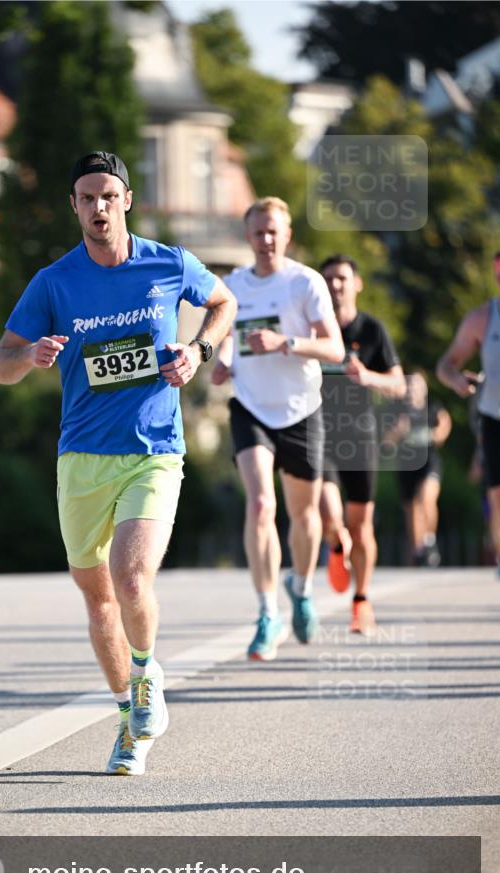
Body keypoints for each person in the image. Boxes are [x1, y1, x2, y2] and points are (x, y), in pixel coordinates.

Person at [0, 151, 237, 774]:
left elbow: (224, 302)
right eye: (86, 198)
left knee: (131, 580)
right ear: (73, 207)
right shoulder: (53, 282)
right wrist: (30, 356)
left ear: (126, 200)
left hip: (154, 451)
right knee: (98, 597)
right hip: (80, 458)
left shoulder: (169, 262)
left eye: (108, 196)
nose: (98, 208)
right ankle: (128, 716)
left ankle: (148, 676)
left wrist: (199, 351)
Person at [211, 197, 345, 660]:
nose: (265, 240)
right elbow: (226, 339)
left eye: (273, 232)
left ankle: (302, 588)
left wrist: (285, 342)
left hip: (301, 410)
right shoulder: (232, 287)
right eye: (257, 232)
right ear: (247, 237)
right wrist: (224, 363)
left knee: (305, 517)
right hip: (250, 407)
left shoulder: (305, 283)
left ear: (286, 236)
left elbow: (335, 349)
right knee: (261, 504)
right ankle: (268, 614)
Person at [318, 255, 406, 635]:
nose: (336, 285)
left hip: (359, 433)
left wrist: (368, 376)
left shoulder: (372, 330)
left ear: (357, 283)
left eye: (342, 278)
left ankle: (361, 601)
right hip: (317, 431)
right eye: (329, 280)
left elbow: (399, 384)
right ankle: (337, 546)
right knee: (328, 515)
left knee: (362, 523)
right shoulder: (313, 327)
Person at [437, 252, 500, 577]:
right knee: (498, 495)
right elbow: (445, 365)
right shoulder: (482, 318)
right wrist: (459, 381)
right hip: (494, 416)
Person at [385, 371, 451, 566]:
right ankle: (418, 549)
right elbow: (386, 442)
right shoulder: (398, 410)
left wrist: (438, 435)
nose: (414, 388)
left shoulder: (432, 406)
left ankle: (429, 540)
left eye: (417, 384)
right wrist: (398, 432)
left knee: (426, 498)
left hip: (429, 461)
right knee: (411, 508)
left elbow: (445, 422)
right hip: (406, 464)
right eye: (410, 385)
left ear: (425, 388)